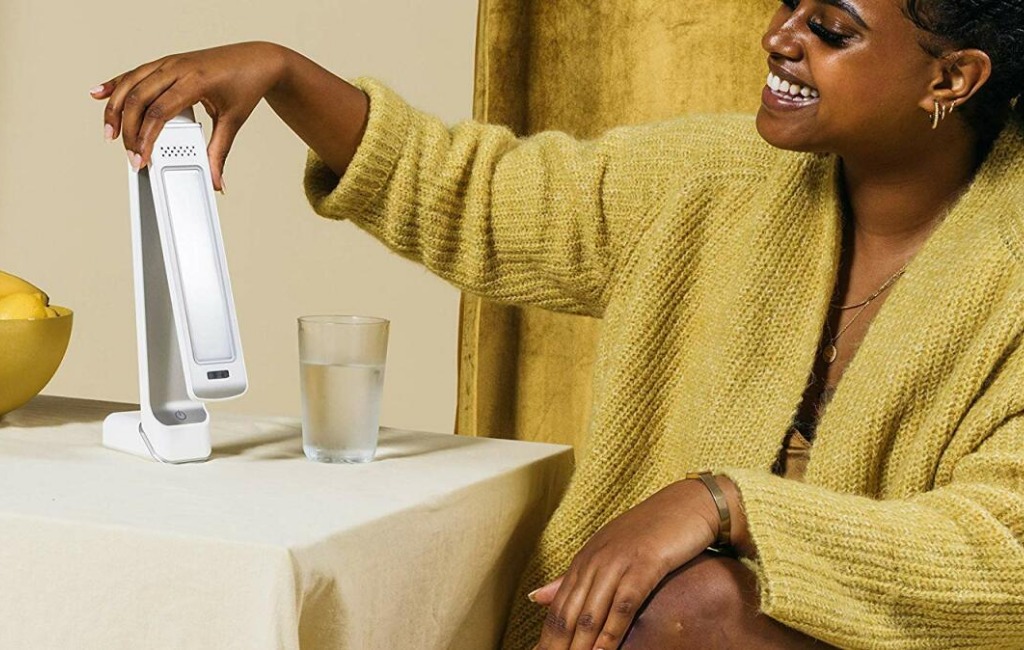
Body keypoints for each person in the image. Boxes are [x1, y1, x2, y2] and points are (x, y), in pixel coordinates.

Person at [92, 0, 1024, 647]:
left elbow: (1005, 554)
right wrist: (289, 76)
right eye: (788, 6)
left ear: (953, 76)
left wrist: (723, 504)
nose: (779, 38)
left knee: (686, 608)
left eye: (830, 30)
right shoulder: (717, 180)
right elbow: (480, 196)